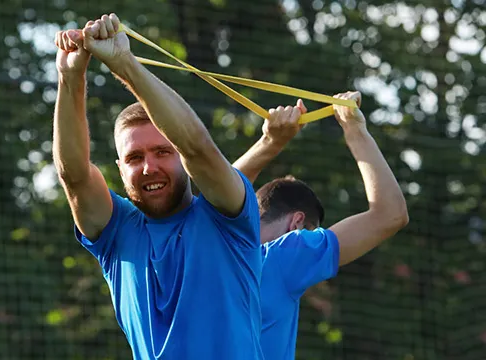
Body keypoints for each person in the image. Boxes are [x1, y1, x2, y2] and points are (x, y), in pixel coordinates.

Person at [52, 13, 301, 359]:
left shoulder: (227, 215)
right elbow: (74, 175)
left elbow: (198, 147)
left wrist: (126, 64)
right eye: (135, 157)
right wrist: (70, 75)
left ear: (180, 157)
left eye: (162, 152)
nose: (149, 167)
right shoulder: (116, 234)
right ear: (121, 170)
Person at [232, 91, 410, 359]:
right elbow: (391, 215)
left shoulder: (203, 245)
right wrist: (354, 128)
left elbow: (212, 197)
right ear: (297, 223)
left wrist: (270, 142)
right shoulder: (284, 256)